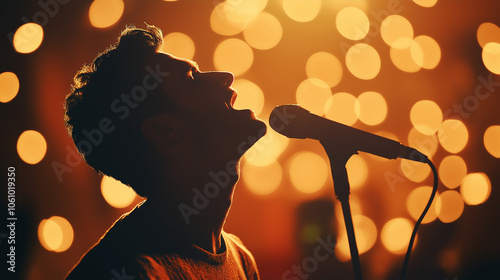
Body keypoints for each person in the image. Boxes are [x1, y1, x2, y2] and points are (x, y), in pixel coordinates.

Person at [64, 24, 266, 279]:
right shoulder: (134, 271)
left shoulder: (240, 259)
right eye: (190, 79)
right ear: (166, 131)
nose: (225, 75)